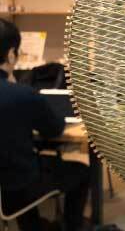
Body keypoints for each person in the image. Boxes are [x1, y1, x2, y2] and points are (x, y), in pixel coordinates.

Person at [0, 19, 90, 231]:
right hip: (18, 187)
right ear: (11, 54)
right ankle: (72, 226)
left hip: (5, 183)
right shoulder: (23, 95)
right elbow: (54, 129)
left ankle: (31, 224)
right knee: (81, 171)